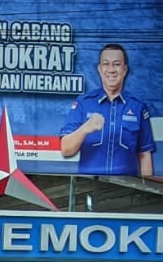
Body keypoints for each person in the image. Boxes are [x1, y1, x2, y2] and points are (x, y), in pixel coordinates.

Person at [59, 43, 155, 177]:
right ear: (99, 68)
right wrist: (86, 128)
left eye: (116, 64)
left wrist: (146, 192)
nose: (111, 70)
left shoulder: (137, 107)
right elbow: (66, 149)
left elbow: (144, 155)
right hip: (88, 187)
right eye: (106, 64)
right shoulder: (83, 103)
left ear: (125, 69)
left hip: (127, 190)